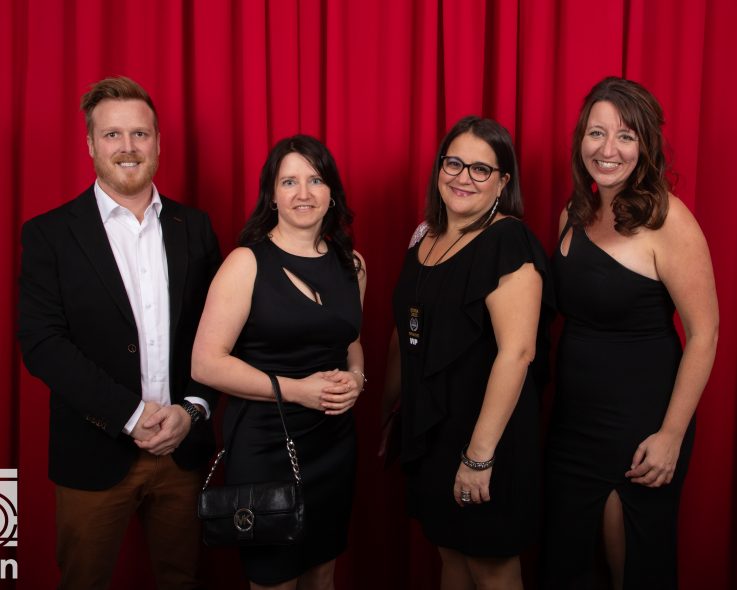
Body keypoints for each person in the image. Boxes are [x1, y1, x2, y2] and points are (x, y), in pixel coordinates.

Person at [17, 76, 221, 588]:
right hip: (93, 451)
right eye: (112, 134)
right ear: (90, 144)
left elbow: (216, 334)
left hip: (182, 452)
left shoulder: (195, 228)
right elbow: (42, 344)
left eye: (139, 134)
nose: (128, 147)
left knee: (181, 580)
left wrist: (192, 410)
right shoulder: (49, 234)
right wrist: (130, 415)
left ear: (157, 143)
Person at [542, 77, 719, 589]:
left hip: (640, 425)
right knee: (567, 563)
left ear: (645, 145)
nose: (608, 149)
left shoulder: (668, 219)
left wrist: (671, 435)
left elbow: (705, 332)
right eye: (596, 133)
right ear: (581, 140)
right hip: (573, 421)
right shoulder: (573, 214)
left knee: (632, 567)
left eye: (625, 136)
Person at [383, 116, 554, 589]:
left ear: (503, 181)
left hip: (487, 433)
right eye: (454, 163)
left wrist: (478, 457)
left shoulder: (508, 240)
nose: (463, 177)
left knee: (489, 565)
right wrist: (390, 411)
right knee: (451, 555)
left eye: (481, 169)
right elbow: (406, 333)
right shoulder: (425, 236)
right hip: (433, 427)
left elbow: (518, 352)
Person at [191, 134, 366, 590]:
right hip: (266, 445)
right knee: (275, 579)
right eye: (289, 182)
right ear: (272, 195)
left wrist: (357, 377)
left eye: (315, 180)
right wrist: (299, 390)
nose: (303, 193)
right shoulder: (245, 263)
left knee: (323, 571)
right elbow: (206, 364)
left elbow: (350, 340)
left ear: (331, 192)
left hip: (334, 442)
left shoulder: (353, 265)